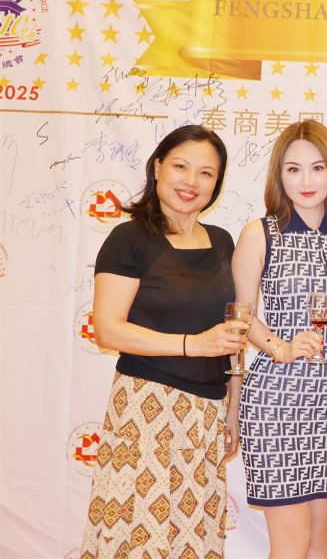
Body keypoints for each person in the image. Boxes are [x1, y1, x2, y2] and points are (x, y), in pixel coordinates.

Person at [81, 125, 245, 559]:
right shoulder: (129, 239)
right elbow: (108, 329)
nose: (191, 182)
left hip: (206, 414)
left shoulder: (222, 241)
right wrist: (192, 344)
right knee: (137, 536)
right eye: (180, 167)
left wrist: (232, 407)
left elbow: (232, 334)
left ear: (217, 182)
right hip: (146, 410)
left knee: (193, 538)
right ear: (157, 167)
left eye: (206, 173)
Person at [232, 120, 327, 558]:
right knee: (291, 545)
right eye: (293, 169)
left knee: (321, 541)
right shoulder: (259, 234)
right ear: (279, 175)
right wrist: (281, 347)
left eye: (317, 167)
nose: (306, 180)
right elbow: (241, 315)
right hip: (277, 399)